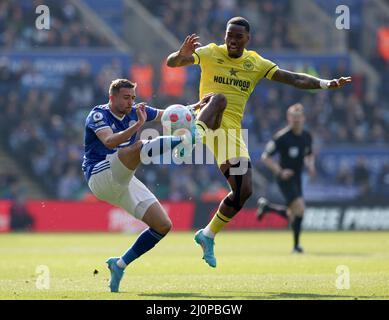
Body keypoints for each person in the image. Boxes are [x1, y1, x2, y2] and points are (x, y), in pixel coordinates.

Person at [166, 17, 352, 267]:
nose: (232, 40)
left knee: (244, 191)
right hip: (207, 120)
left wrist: (325, 83)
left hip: (231, 134)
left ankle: (207, 234)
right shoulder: (210, 52)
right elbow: (172, 63)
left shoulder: (255, 63)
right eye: (229, 35)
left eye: (237, 36)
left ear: (247, 39)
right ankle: (191, 137)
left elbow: (294, 79)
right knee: (218, 97)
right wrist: (181, 54)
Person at [82, 79, 218, 292]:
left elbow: (170, 114)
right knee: (137, 147)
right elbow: (109, 142)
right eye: (126, 98)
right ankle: (184, 140)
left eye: (133, 98)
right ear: (112, 97)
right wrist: (138, 125)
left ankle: (119, 265)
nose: (130, 102)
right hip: (100, 175)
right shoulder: (98, 115)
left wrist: (197, 106)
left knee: (163, 225)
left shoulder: (136, 110)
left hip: (122, 180)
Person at [257, 103, 315, 253]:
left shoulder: (307, 136)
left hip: (297, 178)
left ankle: (267, 207)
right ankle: (296, 247)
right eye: (293, 118)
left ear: (303, 118)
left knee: (294, 214)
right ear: (288, 118)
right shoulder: (281, 137)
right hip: (285, 178)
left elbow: (309, 154)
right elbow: (266, 157)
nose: (296, 120)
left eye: (299, 117)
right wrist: (280, 171)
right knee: (300, 210)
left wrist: (310, 166)